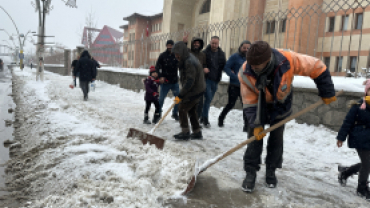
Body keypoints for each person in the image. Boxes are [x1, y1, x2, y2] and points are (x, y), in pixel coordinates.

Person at [239, 41, 336, 192]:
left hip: (281, 104)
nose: (253, 68)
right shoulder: (245, 72)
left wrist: (327, 91)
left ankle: (271, 171)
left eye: (257, 66)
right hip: (258, 106)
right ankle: (250, 173)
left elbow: (317, 66)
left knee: (276, 139)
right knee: (254, 140)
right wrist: (256, 123)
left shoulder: (287, 59)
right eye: (251, 64)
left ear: (267, 60)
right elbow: (249, 102)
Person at [336, 80, 370, 201]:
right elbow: (347, 122)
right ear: (366, 92)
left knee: (367, 164)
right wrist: (341, 137)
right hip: (359, 138)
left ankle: (346, 173)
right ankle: (361, 188)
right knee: (367, 164)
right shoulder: (358, 106)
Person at [172, 41, 206, 140]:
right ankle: (197, 132)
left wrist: (181, 95)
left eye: (177, 53)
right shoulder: (186, 58)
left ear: (182, 52)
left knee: (182, 108)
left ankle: (185, 132)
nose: (176, 56)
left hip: (194, 90)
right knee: (191, 110)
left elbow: (190, 81)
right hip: (197, 89)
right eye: (175, 53)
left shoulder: (189, 61)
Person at [218, 40, 251, 132]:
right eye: (244, 47)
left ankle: (246, 126)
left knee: (245, 106)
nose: (246, 50)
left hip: (246, 87)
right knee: (231, 104)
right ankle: (221, 118)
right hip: (234, 85)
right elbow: (226, 67)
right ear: (240, 47)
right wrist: (234, 76)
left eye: (248, 48)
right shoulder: (234, 57)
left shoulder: (251, 59)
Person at [201, 36, 226, 128]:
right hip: (206, 79)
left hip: (216, 79)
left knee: (209, 99)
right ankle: (205, 119)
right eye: (212, 43)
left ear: (218, 43)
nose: (214, 45)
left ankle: (202, 116)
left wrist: (230, 71)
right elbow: (201, 62)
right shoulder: (204, 53)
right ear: (210, 42)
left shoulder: (221, 54)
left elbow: (224, 65)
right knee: (208, 98)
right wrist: (204, 67)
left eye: (216, 43)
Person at [183, 35, 207, 122]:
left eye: (198, 43)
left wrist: (205, 68)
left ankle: (196, 120)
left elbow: (204, 64)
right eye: (195, 43)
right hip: (189, 81)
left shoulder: (202, 55)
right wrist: (184, 43)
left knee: (200, 103)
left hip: (199, 83)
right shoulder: (188, 52)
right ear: (192, 44)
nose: (196, 44)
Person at [155, 40, 180, 121]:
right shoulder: (162, 55)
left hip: (174, 82)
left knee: (178, 98)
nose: (170, 47)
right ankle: (158, 114)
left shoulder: (176, 55)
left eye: (171, 45)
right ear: (166, 46)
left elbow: (182, 64)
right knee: (161, 99)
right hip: (165, 82)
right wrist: (160, 76)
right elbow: (157, 67)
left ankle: (175, 113)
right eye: (168, 45)